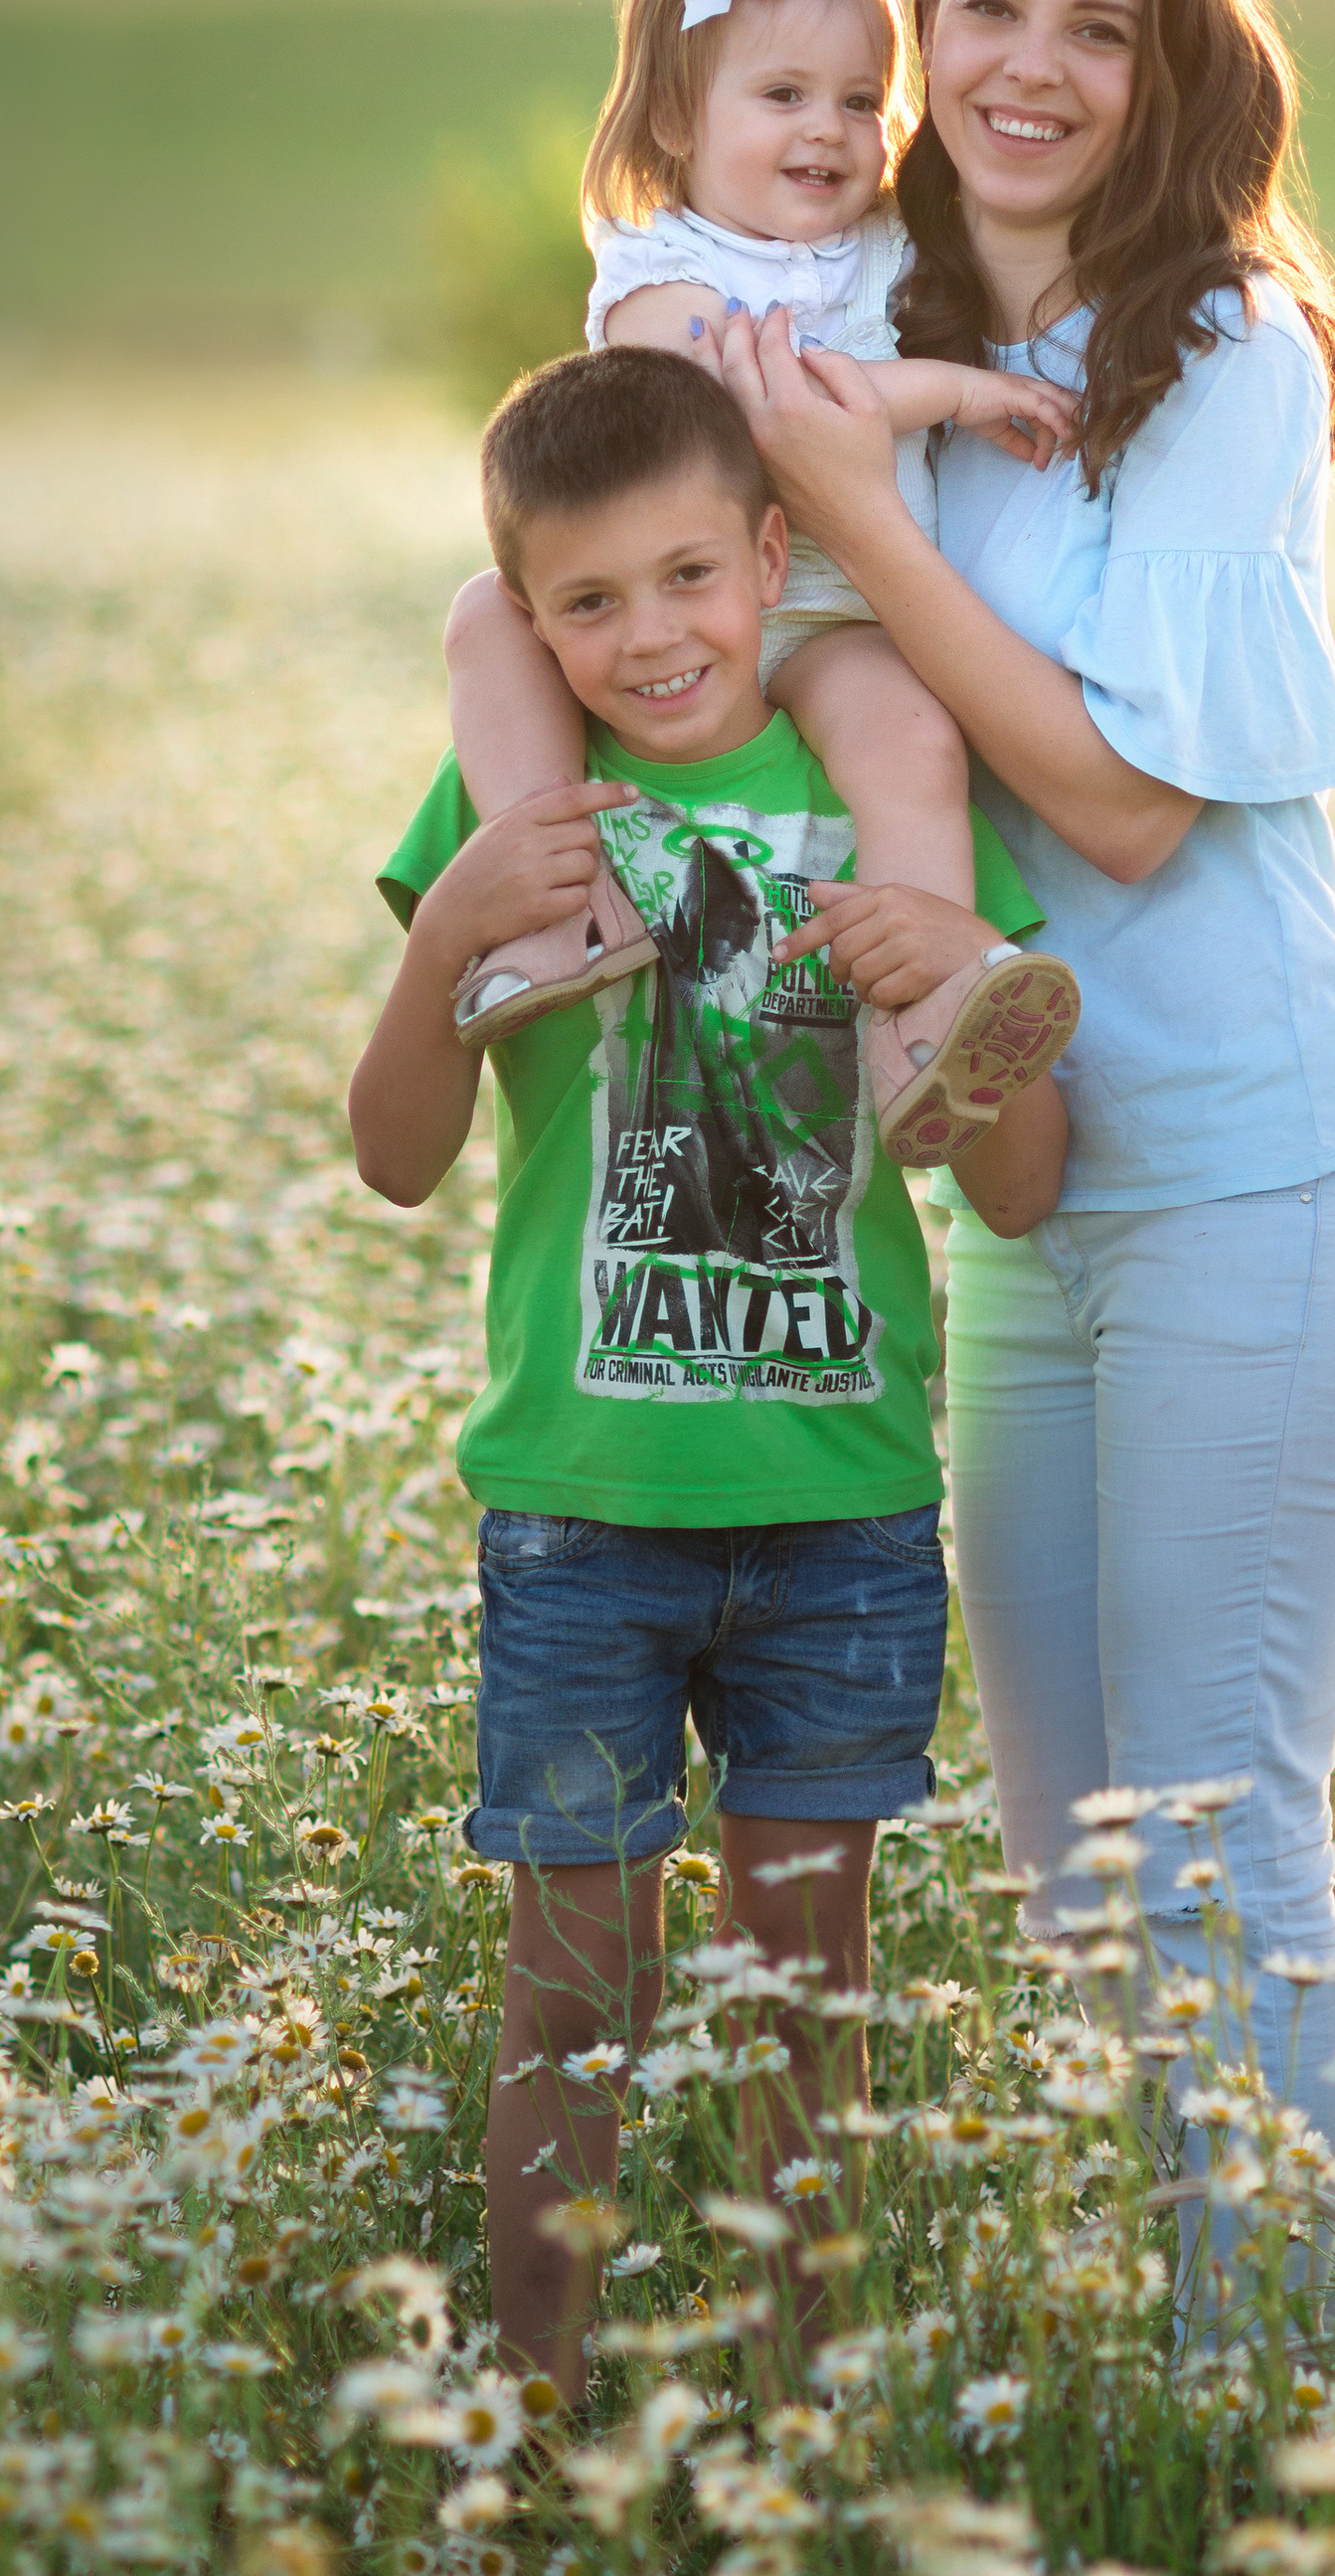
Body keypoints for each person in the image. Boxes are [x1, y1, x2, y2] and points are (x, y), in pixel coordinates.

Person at [719, 0, 1335, 2255]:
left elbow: (1126, 804)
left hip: (1256, 1179)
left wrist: (855, 492)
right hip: (1032, 1202)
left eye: (1097, 25)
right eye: (990, 11)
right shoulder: (884, 325)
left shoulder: (1217, 346)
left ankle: (1294, 2426)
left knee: (1219, 1826)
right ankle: (1184, 2387)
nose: (1030, 67)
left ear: (1168, 74)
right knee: (1068, 1870)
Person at [348, 344, 1069, 2404]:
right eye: (586, 604)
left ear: (772, 556)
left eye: (685, 578)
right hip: (583, 1516)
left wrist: (944, 986)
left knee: (803, 1993)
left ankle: (798, 2393)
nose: (646, 636)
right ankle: (544, 2397)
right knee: (568, 1992)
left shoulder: (877, 807)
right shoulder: (517, 815)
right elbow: (392, 1156)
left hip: (840, 1509)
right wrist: (443, 947)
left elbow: (1014, 1183)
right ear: (528, 621)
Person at [439, 0, 1083, 1166]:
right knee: (483, 616)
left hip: (836, 606)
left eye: (858, 101)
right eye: (783, 94)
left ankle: (923, 1023)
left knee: (909, 739)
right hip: (682, 601)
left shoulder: (890, 248)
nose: (828, 131)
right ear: (679, 121)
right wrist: (955, 391)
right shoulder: (658, 271)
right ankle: (543, 920)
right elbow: (768, 410)